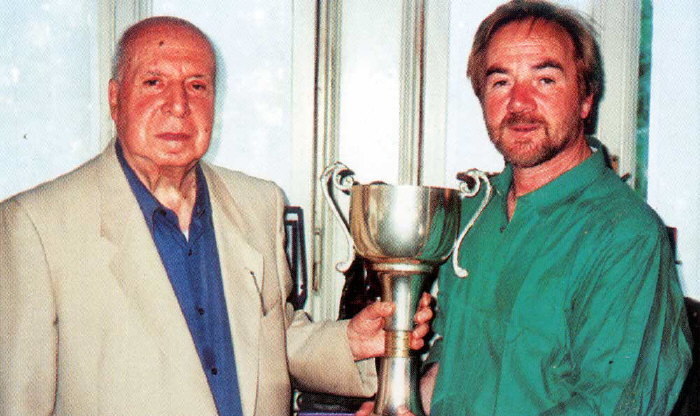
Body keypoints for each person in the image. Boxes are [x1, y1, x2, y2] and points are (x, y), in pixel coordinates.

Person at [0, 17, 432, 416]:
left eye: (197, 86)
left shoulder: (258, 203)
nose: (178, 105)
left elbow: (272, 341)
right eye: (153, 83)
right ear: (115, 99)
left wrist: (350, 341)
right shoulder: (36, 226)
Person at [358, 1, 692, 415]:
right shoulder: (472, 212)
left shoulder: (625, 236)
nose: (519, 103)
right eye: (501, 82)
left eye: (545, 80)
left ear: (586, 99)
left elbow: (614, 406)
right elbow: (452, 370)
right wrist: (398, 404)